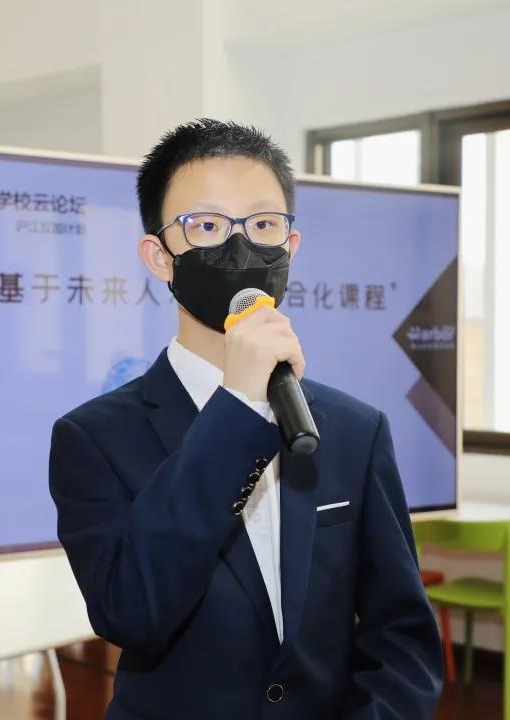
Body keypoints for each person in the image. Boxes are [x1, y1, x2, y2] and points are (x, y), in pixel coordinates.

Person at [49, 118, 442, 719]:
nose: (240, 247)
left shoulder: (355, 430)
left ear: (290, 246)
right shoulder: (93, 437)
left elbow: (402, 635)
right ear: (159, 256)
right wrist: (235, 407)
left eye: (262, 225)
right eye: (206, 226)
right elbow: (132, 612)